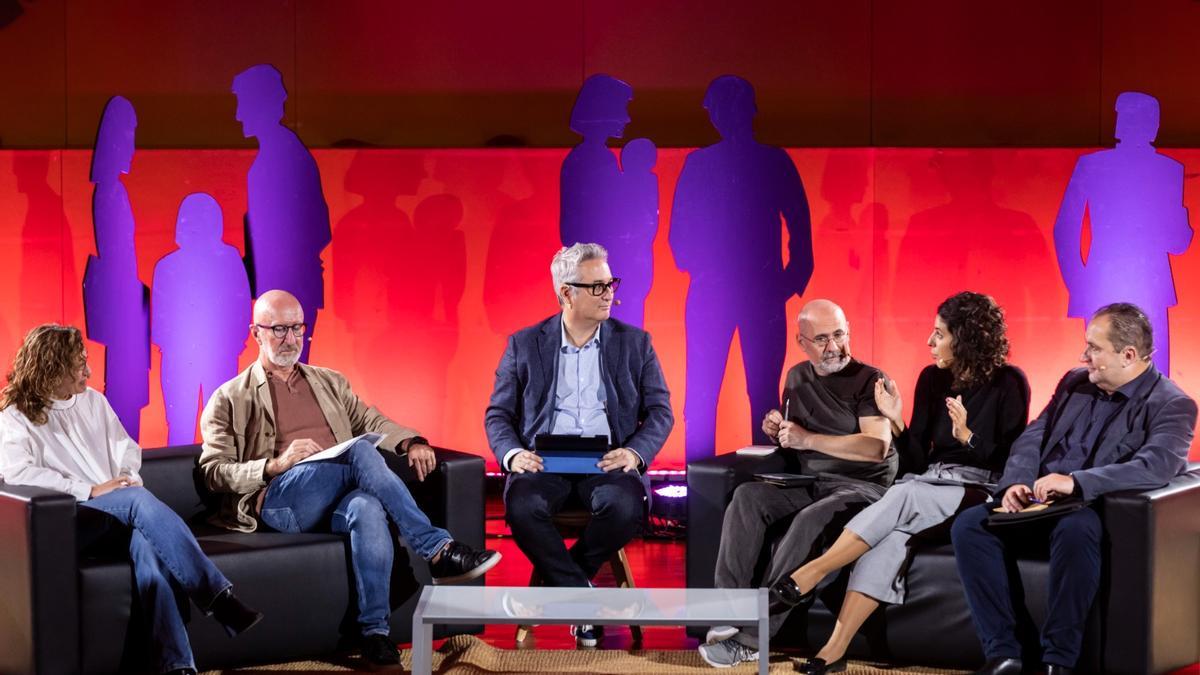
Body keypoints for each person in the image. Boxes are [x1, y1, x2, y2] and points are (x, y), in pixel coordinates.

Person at [199, 289, 499, 670]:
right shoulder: (230, 397)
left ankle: (375, 634)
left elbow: (370, 421)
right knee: (360, 452)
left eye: (297, 328)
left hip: (337, 494)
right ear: (256, 333)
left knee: (367, 507)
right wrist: (274, 465)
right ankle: (438, 550)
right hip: (281, 501)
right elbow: (213, 472)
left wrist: (411, 441)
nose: (290, 339)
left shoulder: (328, 382)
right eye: (278, 330)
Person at [769, 292, 1031, 674]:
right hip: (928, 481)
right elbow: (916, 461)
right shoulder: (932, 379)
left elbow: (1013, 463)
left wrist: (968, 437)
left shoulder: (1010, 382)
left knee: (905, 492)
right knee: (887, 542)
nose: (929, 341)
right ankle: (834, 650)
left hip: (979, 489)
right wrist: (897, 421)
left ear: (966, 337)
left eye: (939, 334)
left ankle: (812, 571)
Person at [951, 302, 1197, 675]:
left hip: (1088, 510)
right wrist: (1017, 481)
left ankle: (1058, 662)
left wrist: (1076, 483)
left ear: (1128, 355)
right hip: (1038, 502)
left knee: (1075, 529)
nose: (1084, 356)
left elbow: (1156, 466)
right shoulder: (1074, 382)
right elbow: (1035, 435)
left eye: (1095, 349)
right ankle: (1004, 654)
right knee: (969, 526)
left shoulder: (1172, 404)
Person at [0, 325, 261, 675]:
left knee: (148, 549)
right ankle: (217, 596)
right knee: (137, 501)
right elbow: (19, 474)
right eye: (79, 364)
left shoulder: (94, 401)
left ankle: (177, 665)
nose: (88, 372)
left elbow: (127, 450)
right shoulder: (15, 415)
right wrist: (89, 490)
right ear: (53, 368)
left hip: (118, 510)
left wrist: (123, 479)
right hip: (70, 519)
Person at [484, 243, 673, 647]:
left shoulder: (635, 343)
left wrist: (635, 453)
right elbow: (498, 414)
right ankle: (583, 598)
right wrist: (514, 454)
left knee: (624, 507)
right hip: (543, 459)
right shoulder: (525, 343)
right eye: (597, 286)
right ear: (566, 293)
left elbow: (660, 411)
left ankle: (565, 589)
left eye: (610, 284)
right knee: (522, 507)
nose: (609, 294)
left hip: (607, 458)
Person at [699, 299, 896, 668]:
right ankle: (727, 612)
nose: (833, 346)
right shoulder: (796, 376)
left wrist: (806, 440)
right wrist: (780, 433)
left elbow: (875, 448)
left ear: (849, 330)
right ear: (801, 342)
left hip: (864, 489)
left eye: (839, 334)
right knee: (747, 497)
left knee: (810, 520)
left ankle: (754, 637)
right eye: (821, 339)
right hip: (811, 480)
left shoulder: (871, 380)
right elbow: (799, 435)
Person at [669, 75, 813, 462]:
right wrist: (787, 281)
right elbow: (679, 233)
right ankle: (705, 485)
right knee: (710, 394)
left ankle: (746, 485)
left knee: (758, 394)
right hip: (731, 293)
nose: (719, 117)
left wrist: (788, 281)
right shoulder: (708, 162)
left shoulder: (761, 160)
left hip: (744, 293)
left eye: (720, 108)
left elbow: (799, 224)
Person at [1053, 92, 1192, 375]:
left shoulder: (1167, 169)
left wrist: (1079, 284)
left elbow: (1177, 242)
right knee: (1105, 372)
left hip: (1144, 287)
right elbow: (1065, 228)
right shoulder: (1093, 166)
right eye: (1128, 118)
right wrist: (1079, 284)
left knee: (1148, 375)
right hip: (1106, 284)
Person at [234, 64, 331, 364]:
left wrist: (280, 274)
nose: (238, 115)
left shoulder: (283, 157)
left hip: (287, 293)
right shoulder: (278, 155)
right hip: (280, 293)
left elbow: (317, 228)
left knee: (288, 379)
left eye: (243, 103)